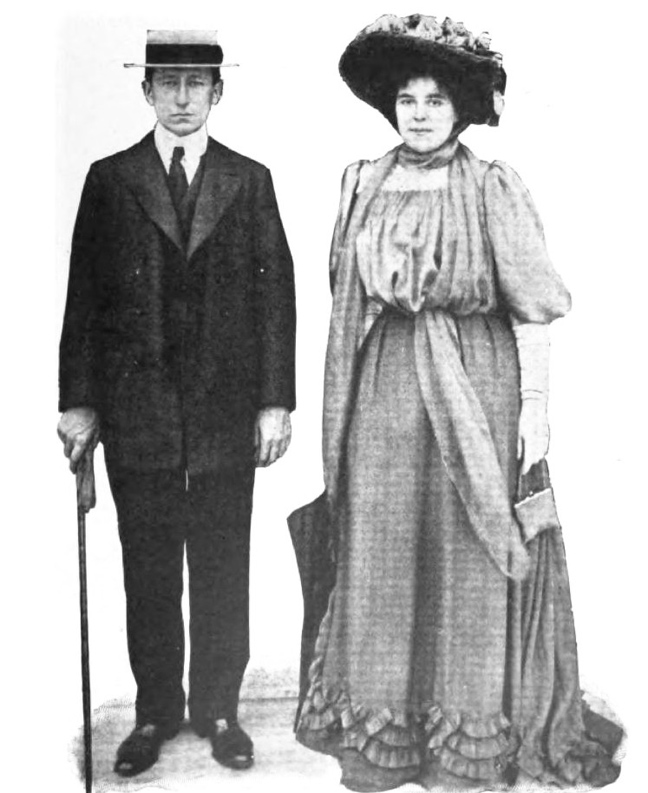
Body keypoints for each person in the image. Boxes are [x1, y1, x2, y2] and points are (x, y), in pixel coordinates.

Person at [294, 14, 622, 792]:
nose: (418, 113)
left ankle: (463, 741)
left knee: (466, 551)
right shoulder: (362, 183)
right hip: (385, 386)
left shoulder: (492, 186)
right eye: (407, 99)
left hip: (478, 384)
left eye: (435, 99)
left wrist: (535, 406)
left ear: (461, 108)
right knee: (387, 546)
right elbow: (347, 297)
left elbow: (533, 308)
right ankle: (388, 735)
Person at [57, 29, 296, 777]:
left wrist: (274, 402)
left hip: (225, 412)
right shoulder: (111, 179)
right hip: (139, 414)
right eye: (169, 82)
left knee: (223, 562)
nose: (183, 97)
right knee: (150, 566)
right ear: (147, 91)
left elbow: (275, 300)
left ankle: (219, 709)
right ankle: (155, 709)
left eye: (197, 83)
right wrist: (79, 401)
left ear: (218, 92)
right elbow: (84, 299)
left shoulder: (249, 181)